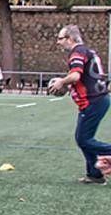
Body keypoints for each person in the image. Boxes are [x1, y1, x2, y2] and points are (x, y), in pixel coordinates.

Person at [47, 25, 111, 184]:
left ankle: (96, 172)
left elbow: (75, 76)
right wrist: (68, 86)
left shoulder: (77, 52)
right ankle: (95, 175)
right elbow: (85, 78)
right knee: (84, 139)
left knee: (83, 139)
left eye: (60, 38)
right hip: (97, 100)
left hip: (93, 101)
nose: (58, 42)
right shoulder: (87, 51)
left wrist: (62, 81)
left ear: (70, 38)